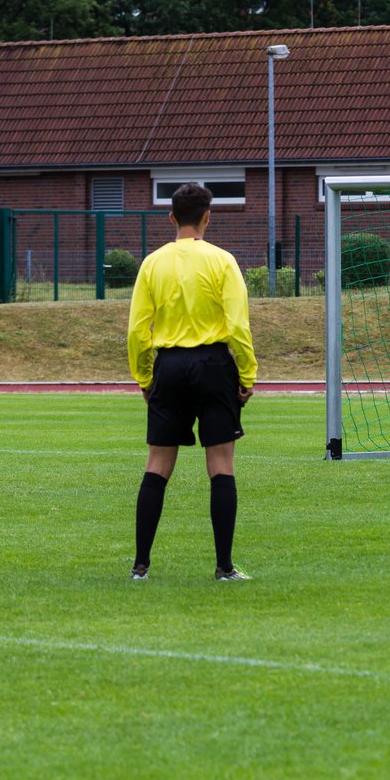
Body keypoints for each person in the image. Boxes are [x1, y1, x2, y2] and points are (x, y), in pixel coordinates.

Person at [126, 182, 258, 581]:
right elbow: (237, 325)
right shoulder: (222, 261)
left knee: (158, 465)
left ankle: (140, 566)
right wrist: (247, 375)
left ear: (171, 217)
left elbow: (137, 330)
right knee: (221, 465)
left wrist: (145, 376)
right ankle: (224, 567)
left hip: (169, 365)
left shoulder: (153, 263)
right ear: (207, 216)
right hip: (214, 364)